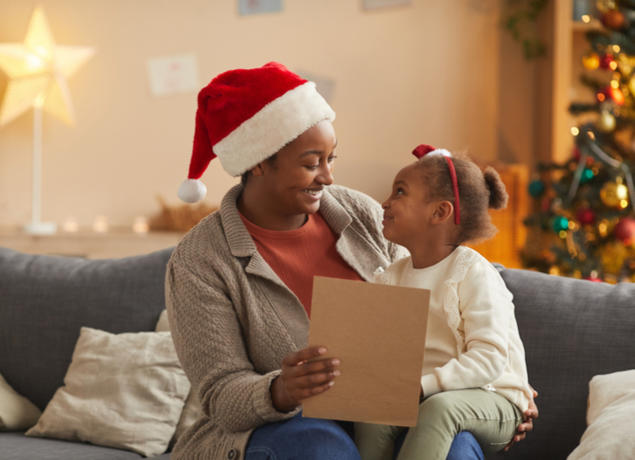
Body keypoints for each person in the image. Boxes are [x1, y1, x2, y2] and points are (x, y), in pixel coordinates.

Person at [165, 62, 536, 460]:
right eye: (311, 163)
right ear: (257, 161)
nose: (327, 177)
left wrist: (499, 386)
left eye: (331, 159)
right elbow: (220, 395)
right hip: (275, 429)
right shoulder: (200, 261)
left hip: (388, 409)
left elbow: (450, 277)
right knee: (323, 447)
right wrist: (281, 389)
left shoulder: (360, 214)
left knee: (456, 445)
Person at [354, 144, 538, 460]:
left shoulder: (473, 273)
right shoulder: (391, 276)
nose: (384, 203)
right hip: (424, 394)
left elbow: (490, 358)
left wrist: (423, 386)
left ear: (440, 212)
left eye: (399, 192)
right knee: (373, 413)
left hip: (495, 397)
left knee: (440, 409)